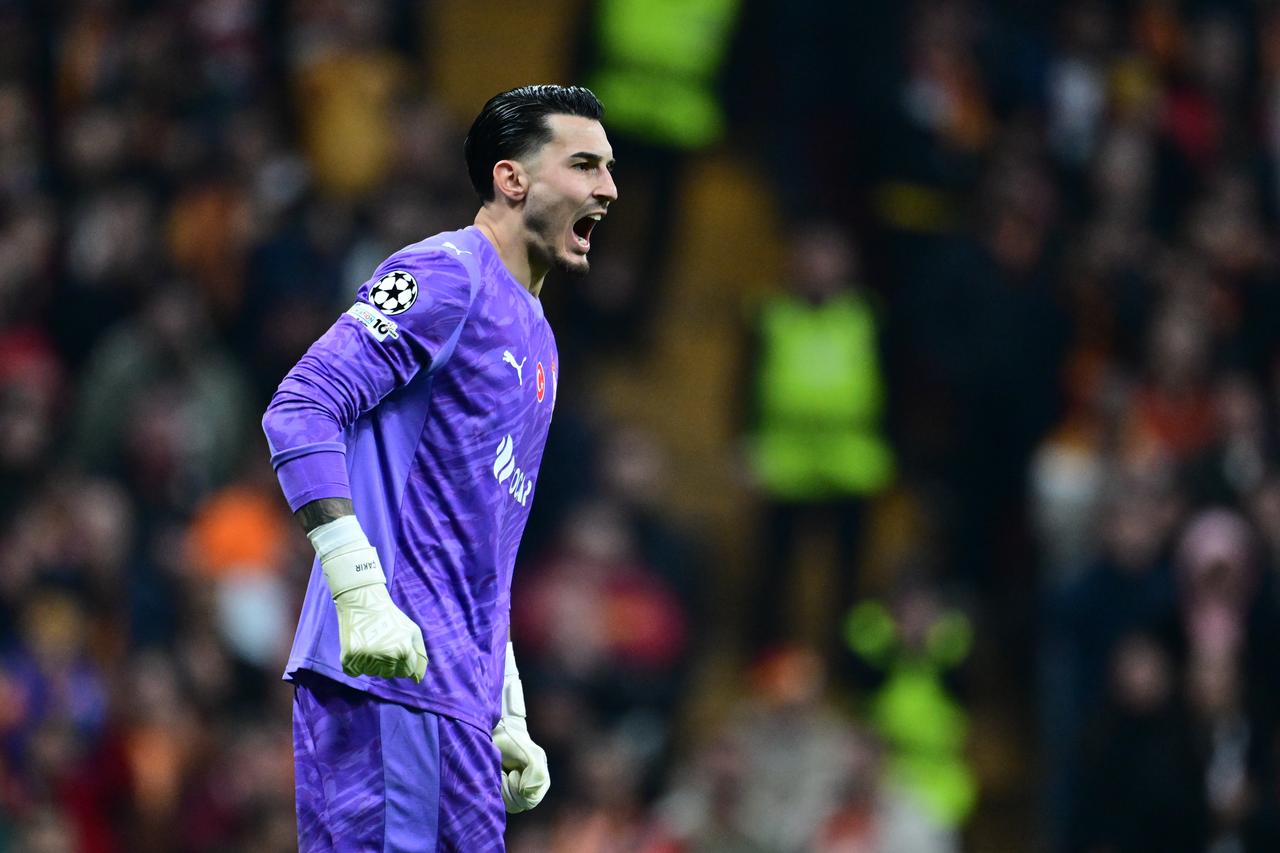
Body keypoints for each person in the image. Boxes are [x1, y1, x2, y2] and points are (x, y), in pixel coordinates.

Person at [260, 84, 617, 851]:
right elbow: (301, 407)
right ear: (511, 177)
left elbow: (482, 540)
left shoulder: (542, 343)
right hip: (386, 684)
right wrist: (359, 592)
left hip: (460, 707)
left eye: (609, 168)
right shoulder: (449, 273)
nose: (608, 189)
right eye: (584, 164)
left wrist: (505, 699)